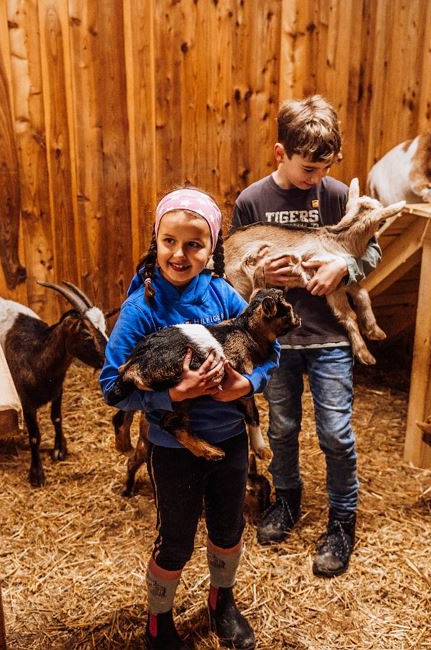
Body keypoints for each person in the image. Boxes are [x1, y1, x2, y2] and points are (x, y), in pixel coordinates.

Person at [101, 188, 280, 650]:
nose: (179, 254)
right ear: (156, 241)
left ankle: (222, 602)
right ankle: (158, 622)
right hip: (172, 449)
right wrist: (173, 395)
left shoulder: (223, 294)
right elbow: (111, 386)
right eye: (169, 241)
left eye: (194, 244)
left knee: (228, 528)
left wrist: (248, 384)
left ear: (212, 248)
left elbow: (270, 349)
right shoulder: (142, 308)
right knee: (176, 541)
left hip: (230, 439)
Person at [231, 95, 380, 578]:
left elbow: (371, 251)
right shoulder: (253, 201)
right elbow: (233, 269)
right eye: (307, 168)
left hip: (329, 336)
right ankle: (287, 499)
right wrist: (261, 275)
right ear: (280, 153)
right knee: (282, 428)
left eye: (325, 168)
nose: (315, 177)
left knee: (335, 432)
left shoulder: (336, 196)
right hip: (276, 343)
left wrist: (345, 266)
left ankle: (342, 520)